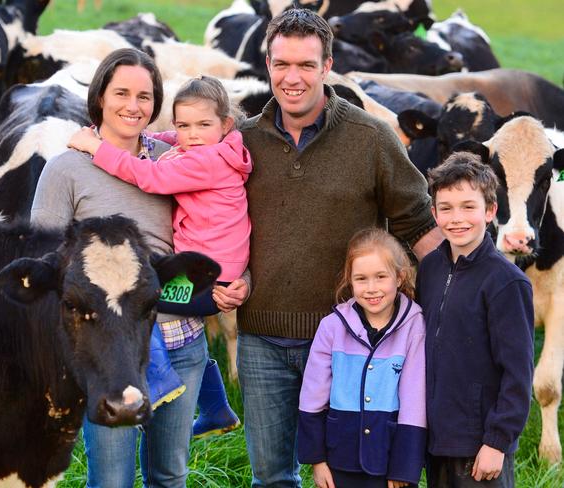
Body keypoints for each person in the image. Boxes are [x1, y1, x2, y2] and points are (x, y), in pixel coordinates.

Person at [211, 8, 443, 487]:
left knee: (347, 475)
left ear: (328, 66)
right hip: (263, 340)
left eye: (305, 65)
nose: (291, 78)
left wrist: (463, 291)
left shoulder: (371, 138)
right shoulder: (241, 143)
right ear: (267, 64)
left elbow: (418, 222)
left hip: (353, 342)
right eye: (281, 64)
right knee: (270, 477)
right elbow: (213, 219)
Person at [31, 48, 206, 488]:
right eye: (121, 93)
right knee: (111, 479)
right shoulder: (66, 169)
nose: (133, 106)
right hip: (107, 347)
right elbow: (48, 258)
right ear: (100, 98)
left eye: (145, 96)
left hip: (178, 337)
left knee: (171, 475)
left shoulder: (175, 164)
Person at [68, 75, 249, 438]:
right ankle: (217, 408)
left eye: (202, 125)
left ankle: (164, 378)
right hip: (219, 268)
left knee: (134, 301)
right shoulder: (224, 148)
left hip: (207, 277)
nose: (191, 135)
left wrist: (95, 147)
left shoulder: (204, 163)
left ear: (225, 124)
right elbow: (175, 143)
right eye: (182, 125)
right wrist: (157, 138)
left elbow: (148, 177)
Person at [416, 152, 534, 488]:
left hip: (482, 444)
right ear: (434, 212)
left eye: (469, 206)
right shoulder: (431, 269)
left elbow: (518, 371)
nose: (457, 218)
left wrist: (497, 441)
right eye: (446, 208)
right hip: (438, 439)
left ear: (491, 210)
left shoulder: (506, 282)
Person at [298, 228, 426, 488]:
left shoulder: (414, 326)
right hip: (339, 457)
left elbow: (415, 400)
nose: (371, 288)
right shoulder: (331, 327)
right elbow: (313, 395)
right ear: (350, 281)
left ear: (399, 277)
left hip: (389, 458)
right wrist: (317, 460)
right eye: (361, 279)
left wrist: (404, 468)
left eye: (381, 277)